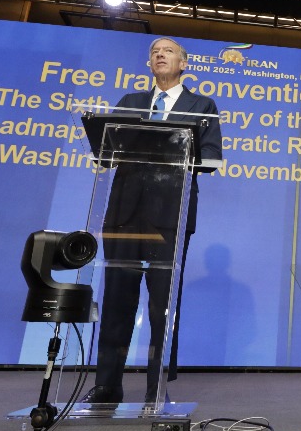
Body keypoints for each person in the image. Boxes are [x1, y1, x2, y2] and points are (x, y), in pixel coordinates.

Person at [82, 37, 223, 405]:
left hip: (170, 215)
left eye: (168, 51)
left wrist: (179, 148)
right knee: (116, 300)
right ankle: (107, 385)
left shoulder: (202, 106)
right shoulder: (130, 102)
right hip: (124, 214)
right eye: (154, 52)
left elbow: (211, 157)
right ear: (149, 64)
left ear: (183, 64)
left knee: (163, 306)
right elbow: (106, 153)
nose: (160, 55)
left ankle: (155, 387)